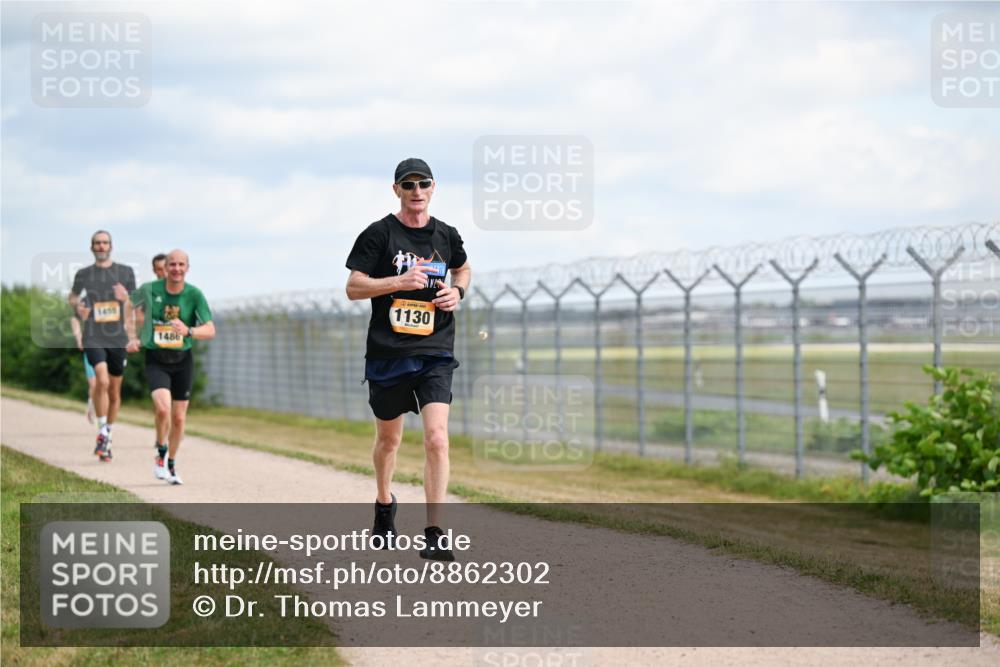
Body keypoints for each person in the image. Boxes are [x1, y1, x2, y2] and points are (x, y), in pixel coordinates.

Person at [346, 158, 471, 561]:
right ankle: (385, 504)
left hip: (435, 350)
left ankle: (434, 531)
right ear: (396, 189)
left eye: (424, 184)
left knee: (437, 438)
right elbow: (353, 287)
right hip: (388, 353)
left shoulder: (446, 234)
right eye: (408, 184)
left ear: (434, 188)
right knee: (389, 440)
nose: (417, 191)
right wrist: (399, 282)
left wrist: (459, 292)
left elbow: (463, 268)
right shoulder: (378, 234)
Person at [127, 249, 215, 485]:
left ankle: (171, 463)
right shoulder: (149, 289)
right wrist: (132, 336)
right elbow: (128, 306)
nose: (176, 269)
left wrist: (189, 331)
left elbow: (210, 329)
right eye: (172, 264)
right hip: (156, 359)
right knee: (163, 409)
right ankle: (161, 449)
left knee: (178, 418)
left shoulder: (194, 295)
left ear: (187, 268)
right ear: (165, 268)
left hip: (182, 360)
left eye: (181, 265)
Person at [68, 230, 136, 461]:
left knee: (115, 391)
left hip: (117, 337)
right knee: (102, 381)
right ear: (91, 247)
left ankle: (107, 434)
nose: (101, 246)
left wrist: (126, 297)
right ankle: (102, 429)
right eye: (97, 243)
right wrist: (79, 309)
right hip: (93, 335)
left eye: (104, 242)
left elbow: (135, 305)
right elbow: (73, 298)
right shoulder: (84, 274)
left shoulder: (125, 272)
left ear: (111, 246)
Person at [70, 317, 97, 424]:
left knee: (105, 384)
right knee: (94, 384)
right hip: (90, 349)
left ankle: (102, 415)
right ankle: (91, 409)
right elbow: (74, 319)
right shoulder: (87, 303)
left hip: (108, 350)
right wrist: (79, 339)